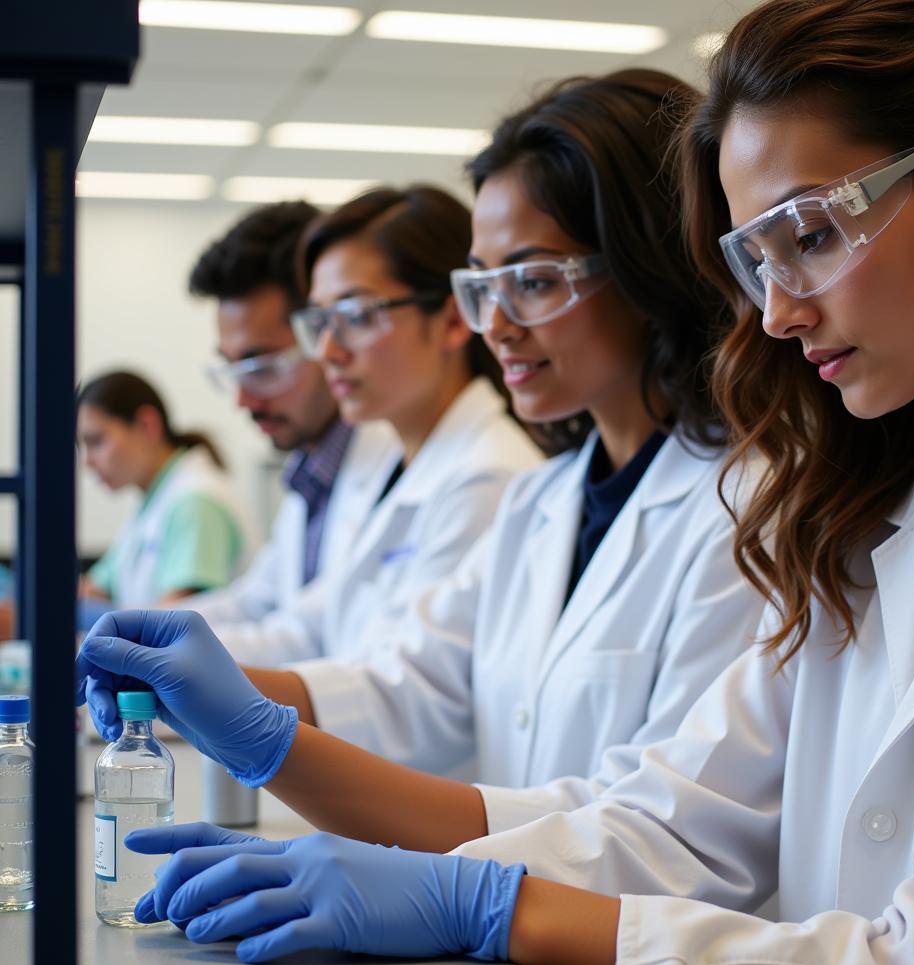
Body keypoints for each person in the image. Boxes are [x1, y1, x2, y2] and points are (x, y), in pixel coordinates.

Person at [77, 1, 914, 965]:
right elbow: (664, 824)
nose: (781, 310)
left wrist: (490, 905)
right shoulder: (847, 526)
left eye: (812, 232)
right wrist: (272, 747)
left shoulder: (747, 502)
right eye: (757, 259)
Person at [77, 69, 766, 837]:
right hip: (509, 903)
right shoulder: (544, 502)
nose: (496, 325)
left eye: (535, 281)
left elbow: (664, 828)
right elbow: (415, 684)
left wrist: (255, 726)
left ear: (649, 265)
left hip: (610, 931)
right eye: (486, 284)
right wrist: (204, 688)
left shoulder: (742, 508)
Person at [192, 185, 543, 670]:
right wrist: (152, 651)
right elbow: (309, 625)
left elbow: (409, 689)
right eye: (321, 323)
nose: (330, 352)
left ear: (452, 319)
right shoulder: (392, 466)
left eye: (356, 316)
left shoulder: (490, 476)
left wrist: (203, 689)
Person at [181, 202, 397, 657]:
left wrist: (157, 656)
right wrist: (134, 635)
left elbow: (306, 637)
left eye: (261, 367)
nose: (243, 400)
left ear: (323, 334)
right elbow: (255, 603)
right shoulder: (312, 471)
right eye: (232, 370)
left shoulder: (394, 463)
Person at [77, 370, 255, 610]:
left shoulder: (196, 502)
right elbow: (94, 588)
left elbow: (172, 625)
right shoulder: (154, 502)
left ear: (146, 425)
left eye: (96, 441)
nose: (87, 461)